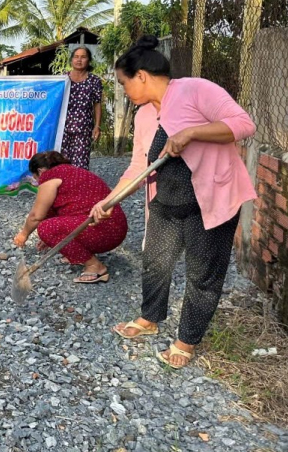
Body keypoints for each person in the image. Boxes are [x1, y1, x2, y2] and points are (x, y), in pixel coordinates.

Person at [90, 35, 256, 369]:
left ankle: (186, 341)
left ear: (141, 76)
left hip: (209, 200)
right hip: (166, 201)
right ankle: (150, 318)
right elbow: (139, 167)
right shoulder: (143, 117)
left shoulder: (196, 90)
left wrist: (193, 133)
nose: (124, 91)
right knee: (155, 262)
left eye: (124, 84)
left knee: (203, 273)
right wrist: (109, 200)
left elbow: (243, 125)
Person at [13, 151, 128, 283]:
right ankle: (79, 255)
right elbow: (54, 211)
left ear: (40, 171)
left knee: (46, 228)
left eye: (35, 178)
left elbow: (36, 216)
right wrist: (55, 238)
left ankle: (94, 266)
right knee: (51, 225)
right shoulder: (74, 172)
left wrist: (23, 235)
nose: (38, 182)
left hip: (103, 229)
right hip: (115, 226)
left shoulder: (49, 177)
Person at [60, 47, 102, 170]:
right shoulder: (63, 79)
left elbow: (97, 103)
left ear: (88, 60)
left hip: (83, 129)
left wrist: (97, 126)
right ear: (72, 60)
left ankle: (79, 188)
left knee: (81, 165)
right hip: (63, 129)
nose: (79, 60)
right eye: (76, 57)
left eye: (83, 57)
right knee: (62, 163)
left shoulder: (94, 81)